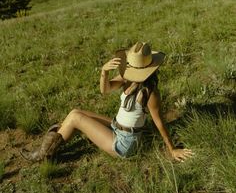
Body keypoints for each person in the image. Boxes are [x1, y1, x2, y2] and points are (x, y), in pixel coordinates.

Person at [21, 42, 193, 162]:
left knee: (75, 119)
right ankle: (48, 152)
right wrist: (103, 72)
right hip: (116, 127)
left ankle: (43, 155)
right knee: (75, 112)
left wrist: (172, 149)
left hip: (125, 143)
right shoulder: (128, 77)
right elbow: (105, 90)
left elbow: (160, 122)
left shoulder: (151, 92)